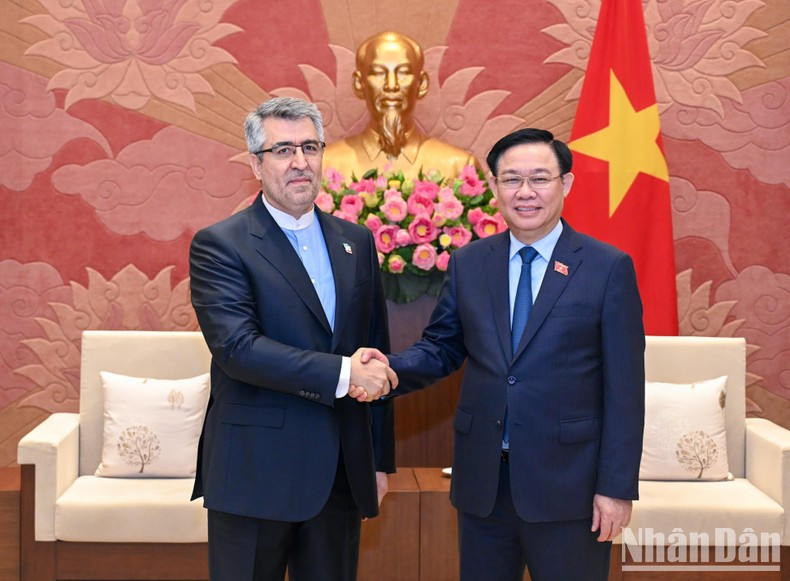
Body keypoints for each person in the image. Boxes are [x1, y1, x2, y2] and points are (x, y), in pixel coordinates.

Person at [357, 128, 645, 580]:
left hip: (570, 488)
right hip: (484, 485)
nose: (525, 192)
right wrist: (388, 369)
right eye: (511, 180)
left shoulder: (607, 268)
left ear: (565, 184)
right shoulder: (471, 262)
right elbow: (442, 347)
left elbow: (625, 390)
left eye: (539, 179)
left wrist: (615, 488)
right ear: (494, 187)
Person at [189, 96, 398, 581]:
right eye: (283, 150)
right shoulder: (222, 244)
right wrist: (345, 373)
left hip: (341, 475)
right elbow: (238, 349)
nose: (300, 162)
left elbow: (375, 352)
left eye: (310, 146)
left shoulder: (356, 241)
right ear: (256, 165)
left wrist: (379, 461)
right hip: (254, 473)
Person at [322, 30, 478, 181]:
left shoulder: (460, 167)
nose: (391, 85)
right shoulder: (325, 166)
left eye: (403, 73)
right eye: (378, 73)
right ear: (359, 84)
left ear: (421, 84)